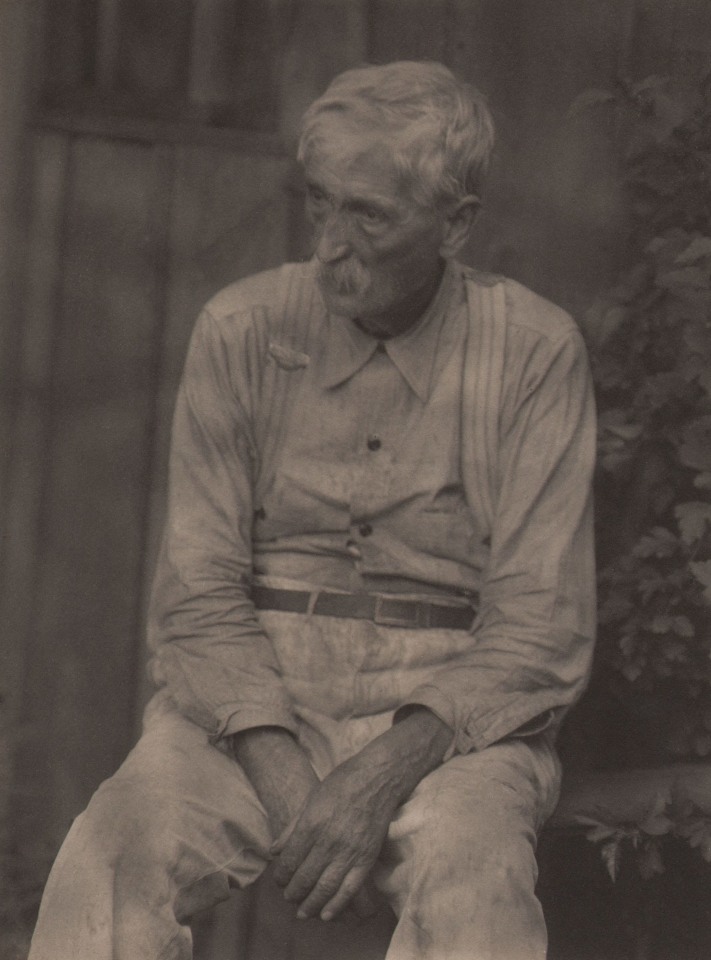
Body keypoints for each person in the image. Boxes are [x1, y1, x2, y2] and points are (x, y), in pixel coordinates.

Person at [28, 60, 596, 960]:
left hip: (447, 725)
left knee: (475, 889)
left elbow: (540, 629)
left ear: (455, 225)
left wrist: (376, 778)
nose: (330, 243)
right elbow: (196, 594)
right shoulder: (243, 330)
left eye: (368, 214)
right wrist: (287, 769)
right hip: (249, 701)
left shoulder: (532, 354)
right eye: (320, 203)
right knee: (107, 855)